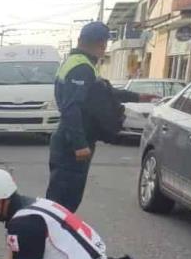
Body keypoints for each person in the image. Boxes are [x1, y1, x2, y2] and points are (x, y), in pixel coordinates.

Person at [46, 21, 158, 212]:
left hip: (69, 139)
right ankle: (50, 236)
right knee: (63, 202)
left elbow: (103, 92)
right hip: (72, 143)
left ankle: (54, 234)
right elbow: (71, 108)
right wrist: (79, 144)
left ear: (80, 39)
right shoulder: (82, 67)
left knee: (62, 200)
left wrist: (137, 96)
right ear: (102, 45)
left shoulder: (80, 63)